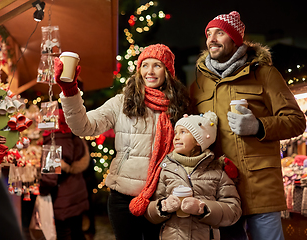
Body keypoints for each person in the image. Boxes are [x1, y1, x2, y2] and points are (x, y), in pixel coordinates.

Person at [54, 44, 193, 240]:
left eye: (157, 65)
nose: (150, 71)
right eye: (145, 65)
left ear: (168, 71)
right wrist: (69, 91)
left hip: (163, 199)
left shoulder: (179, 106)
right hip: (123, 199)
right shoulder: (121, 102)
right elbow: (83, 127)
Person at [190, 11, 306, 240]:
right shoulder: (198, 85)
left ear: (235, 39)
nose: (211, 39)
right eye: (208, 34)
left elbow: (296, 121)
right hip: (220, 191)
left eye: (220, 33)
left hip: (260, 188)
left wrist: (258, 126)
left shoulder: (264, 74)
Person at [145, 111, 242, 239]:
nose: (176, 137)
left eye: (183, 132)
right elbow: (149, 211)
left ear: (198, 140)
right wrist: (163, 206)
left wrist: (202, 208)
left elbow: (233, 210)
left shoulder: (217, 171)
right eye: (176, 133)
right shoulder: (166, 169)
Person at [39, 109, 90, 240]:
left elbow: (50, 178)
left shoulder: (53, 141)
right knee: (77, 231)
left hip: (62, 199)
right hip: (77, 193)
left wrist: (42, 191)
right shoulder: (75, 137)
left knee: (64, 234)